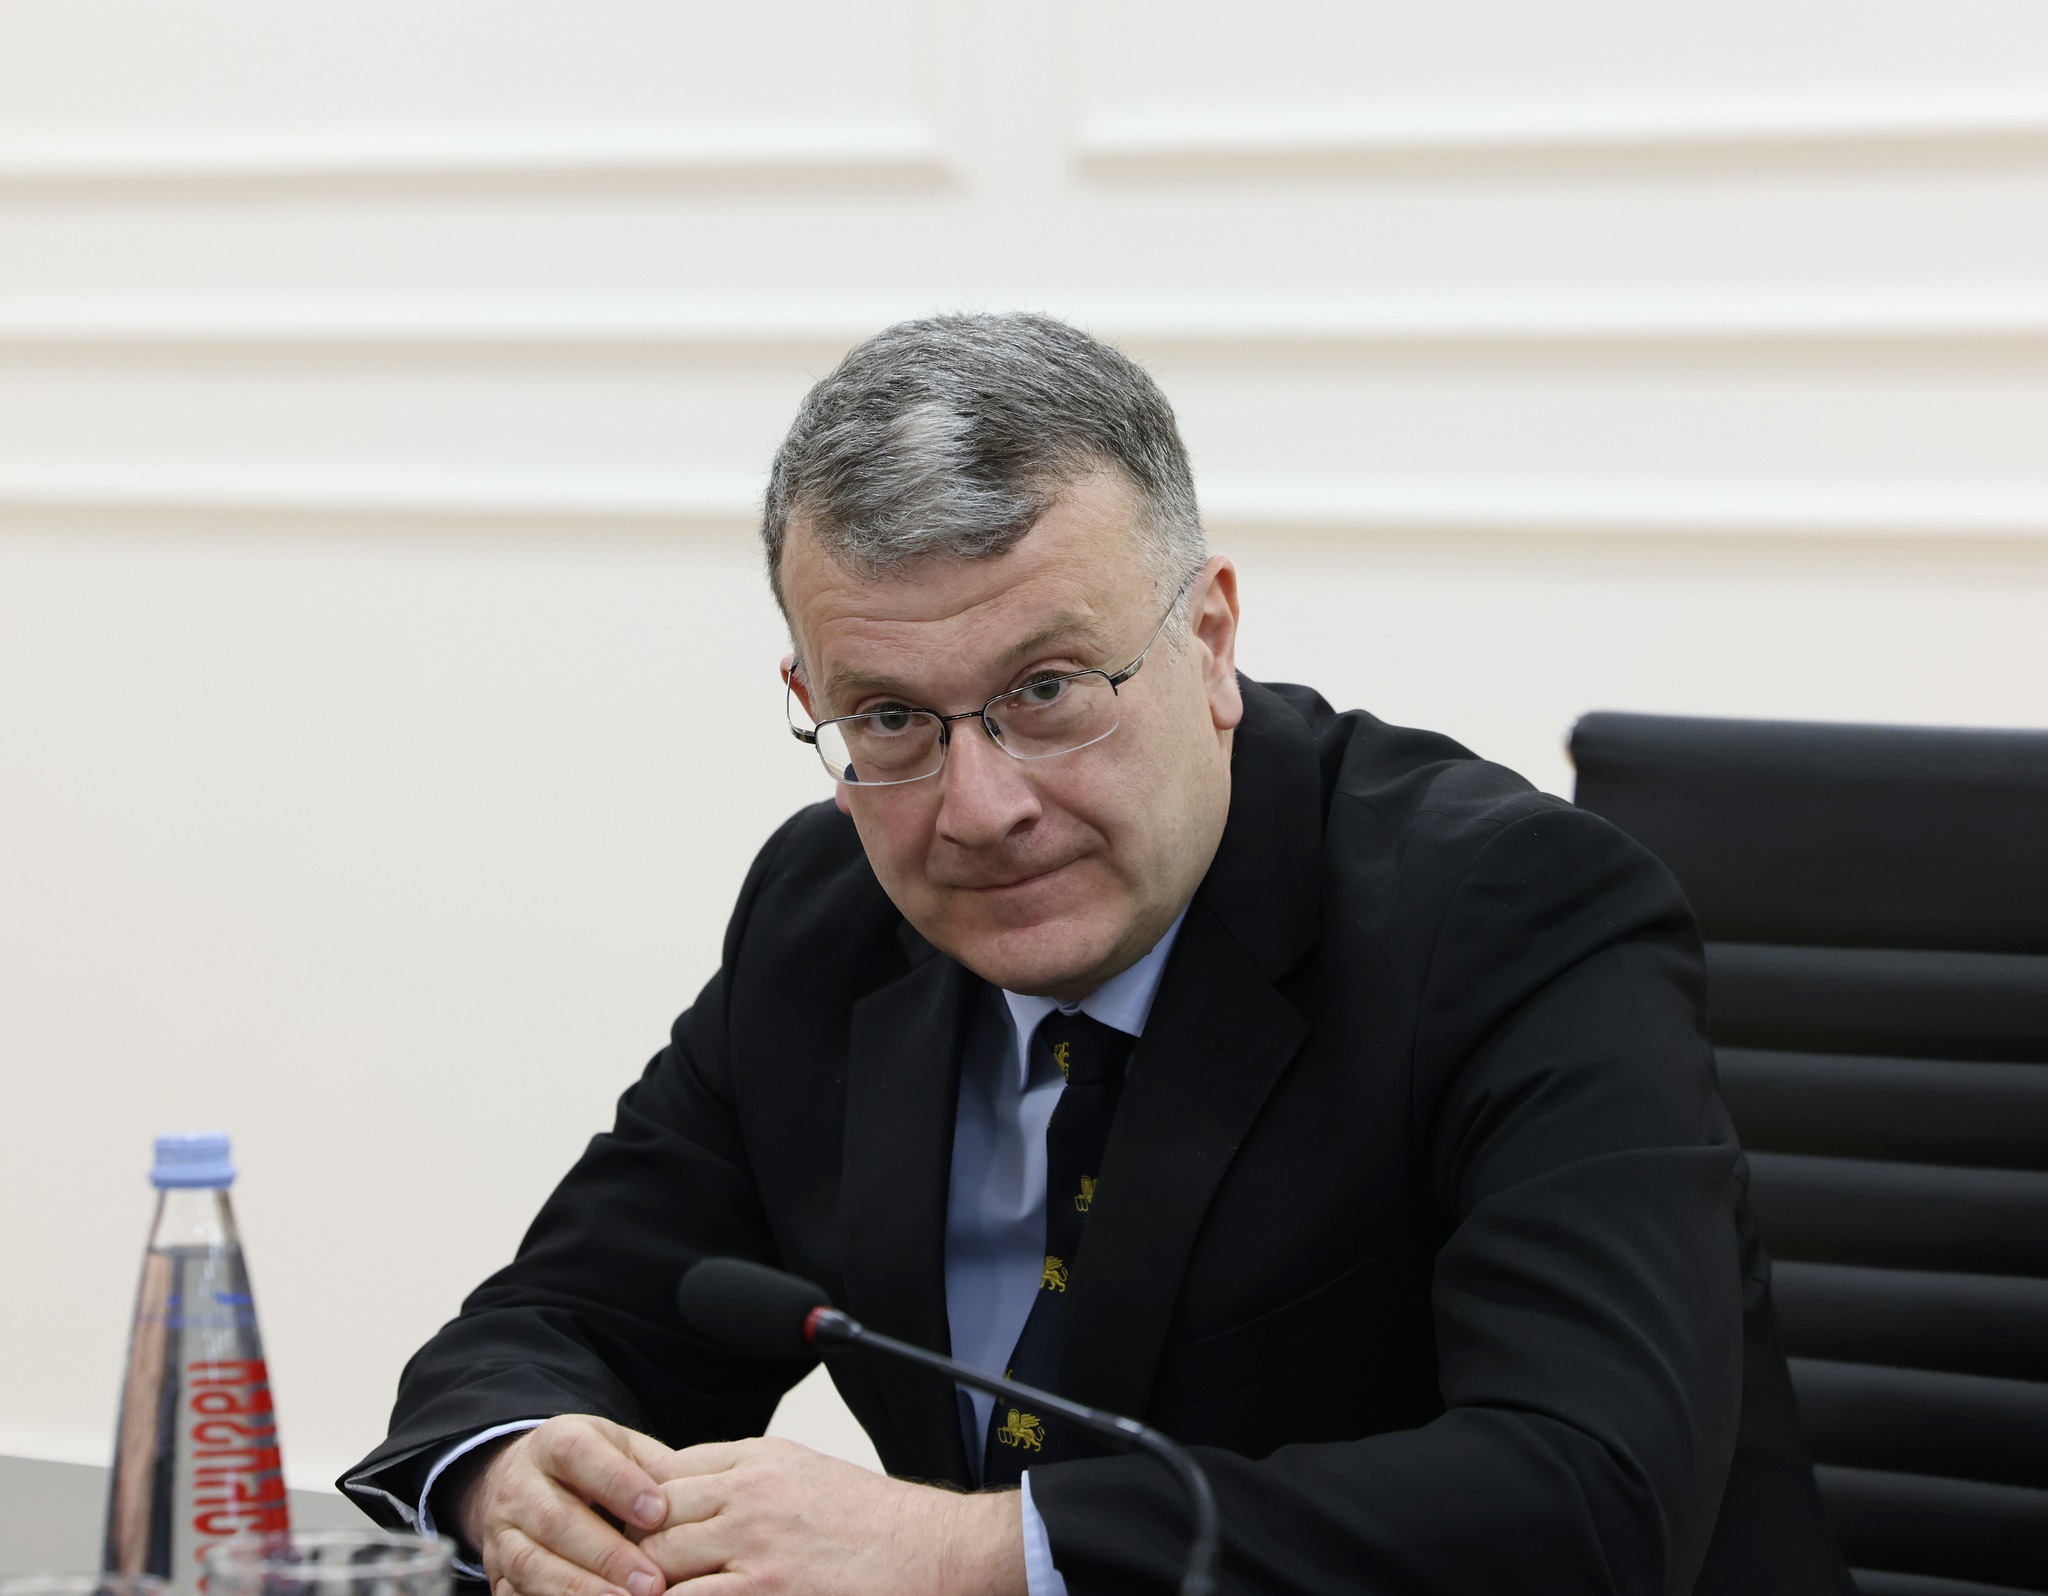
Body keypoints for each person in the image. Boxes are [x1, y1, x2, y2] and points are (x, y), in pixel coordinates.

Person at [342, 314, 1850, 1594]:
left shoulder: (1510, 917)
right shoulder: (830, 915)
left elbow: (1586, 1500)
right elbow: (557, 1325)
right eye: (890, 720)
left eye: (1049, 688)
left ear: (1212, 639)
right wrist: (516, 1475)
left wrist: (966, 1554)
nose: (979, 807)